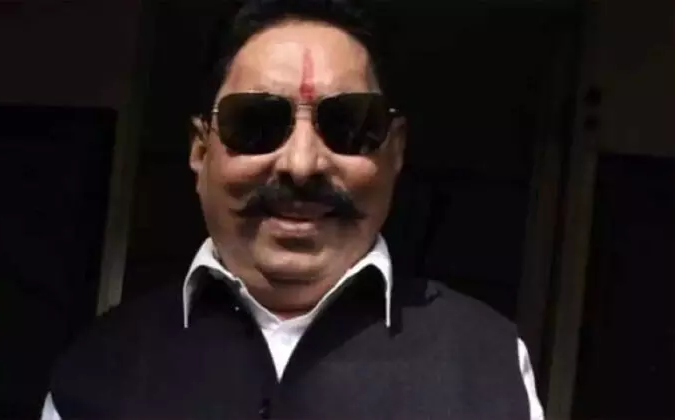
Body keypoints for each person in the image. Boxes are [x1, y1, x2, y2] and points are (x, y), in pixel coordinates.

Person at [43, 0, 544, 418]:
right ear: (200, 149)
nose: (301, 164)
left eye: (348, 125)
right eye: (255, 123)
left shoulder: (487, 361)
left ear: (395, 151)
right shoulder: (100, 366)